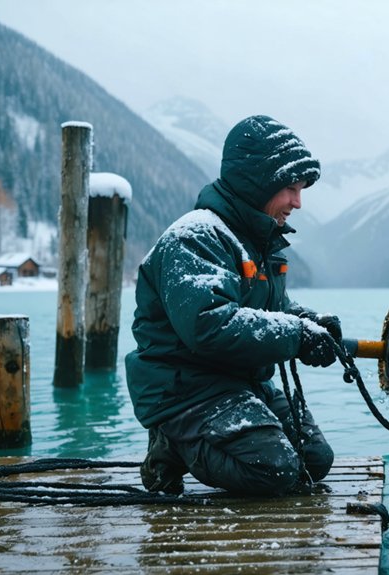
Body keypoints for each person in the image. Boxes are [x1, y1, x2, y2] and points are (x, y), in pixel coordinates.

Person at [125, 115, 340, 496]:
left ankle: (210, 437)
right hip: (187, 391)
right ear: (258, 183)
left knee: (316, 460)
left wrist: (312, 323)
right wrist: (296, 335)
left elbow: (273, 309)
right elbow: (210, 325)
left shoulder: (260, 241)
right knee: (274, 471)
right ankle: (171, 441)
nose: (298, 202)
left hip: (242, 383)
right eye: (291, 188)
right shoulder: (194, 238)